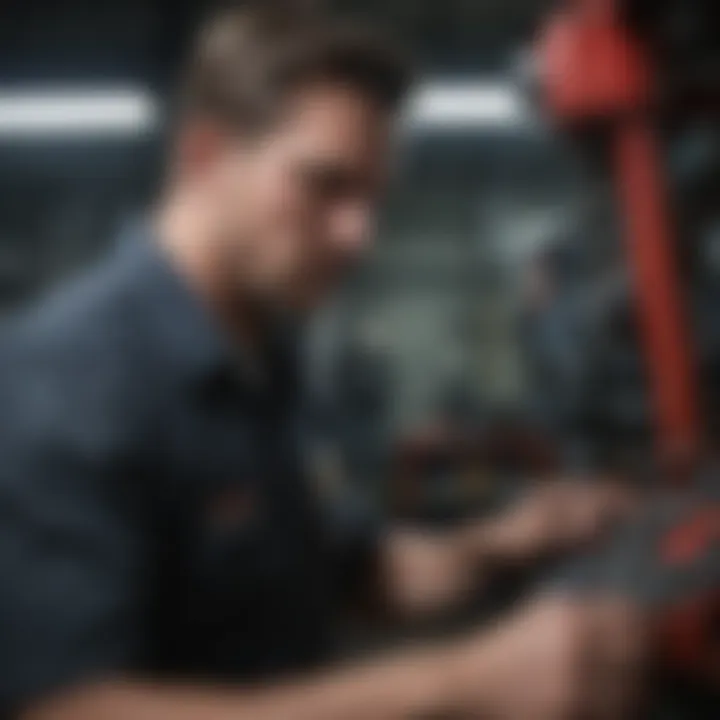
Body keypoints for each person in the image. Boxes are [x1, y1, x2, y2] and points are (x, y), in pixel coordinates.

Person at [0, 5, 648, 719]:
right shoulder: (63, 380)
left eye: (372, 199)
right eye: (324, 185)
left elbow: (344, 576)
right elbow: (67, 706)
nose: (358, 237)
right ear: (205, 156)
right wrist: (461, 681)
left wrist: (509, 538)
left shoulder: (264, 359)